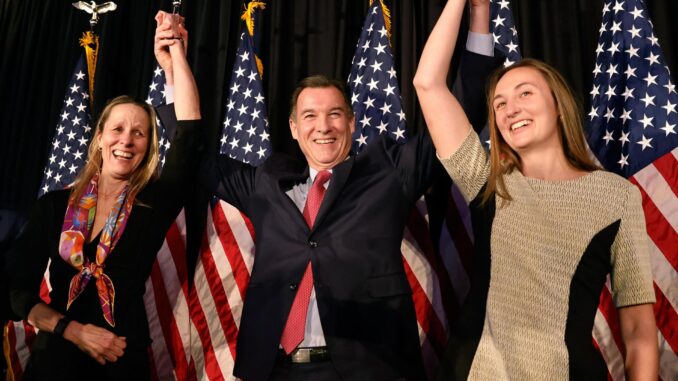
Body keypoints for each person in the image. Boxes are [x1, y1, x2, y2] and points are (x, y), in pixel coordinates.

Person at [154, 2, 499, 380]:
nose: (324, 126)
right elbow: (193, 153)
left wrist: (479, 13)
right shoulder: (266, 183)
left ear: (351, 122)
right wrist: (174, 68)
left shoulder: (389, 171)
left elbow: (459, 109)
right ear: (293, 128)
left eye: (335, 114)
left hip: (369, 369)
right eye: (310, 117)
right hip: (274, 370)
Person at [413, 0, 659, 380]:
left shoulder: (616, 195)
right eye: (499, 103)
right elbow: (427, 84)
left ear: (557, 106)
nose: (511, 108)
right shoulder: (488, 180)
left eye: (525, 93)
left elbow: (639, 327)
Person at [8, 12, 201, 380]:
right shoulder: (53, 205)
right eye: (117, 129)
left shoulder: (153, 204)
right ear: (99, 137)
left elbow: (189, 135)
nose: (126, 140)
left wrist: (174, 56)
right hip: (54, 362)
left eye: (139, 133)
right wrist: (74, 331)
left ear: (149, 146)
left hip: (120, 363)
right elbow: (17, 292)